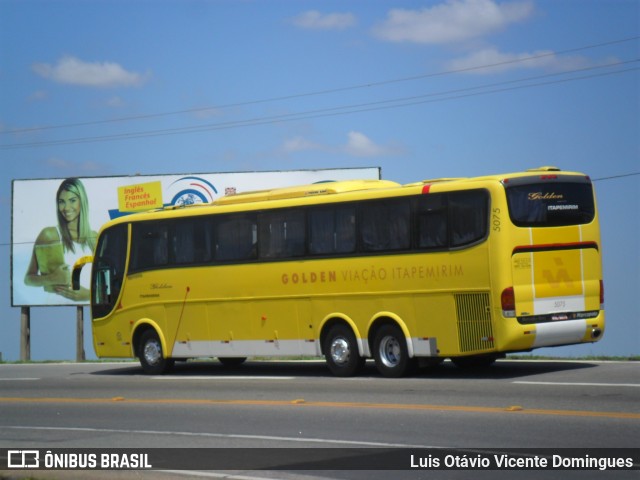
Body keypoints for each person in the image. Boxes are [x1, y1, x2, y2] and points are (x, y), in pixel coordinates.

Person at [24, 178, 97, 302]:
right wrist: (51, 278)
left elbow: (110, 281)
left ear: (82, 202)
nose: (66, 207)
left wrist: (89, 295)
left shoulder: (95, 238)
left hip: (92, 311)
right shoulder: (49, 235)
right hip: (51, 311)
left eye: (72, 200)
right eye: (61, 202)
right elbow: (28, 279)